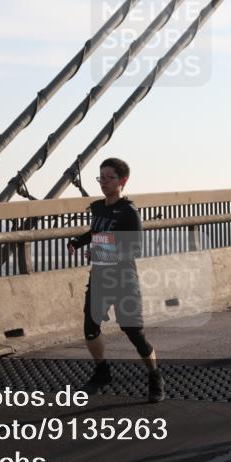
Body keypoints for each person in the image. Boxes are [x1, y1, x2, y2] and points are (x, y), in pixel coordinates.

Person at [68, 158, 165, 403]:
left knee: (133, 332)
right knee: (90, 327)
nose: (104, 182)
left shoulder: (129, 212)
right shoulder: (98, 208)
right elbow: (95, 232)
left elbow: (134, 249)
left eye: (110, 177)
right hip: (100, 277)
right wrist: (78, 241)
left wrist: (101, 252)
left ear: (123, 181)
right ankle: (102, 372)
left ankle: (154, 376)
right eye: (101, 177)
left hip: (123, 279)